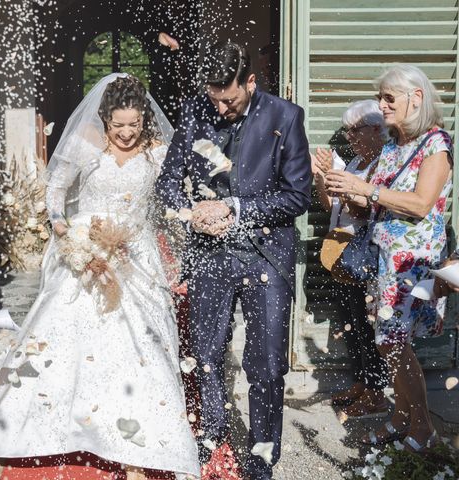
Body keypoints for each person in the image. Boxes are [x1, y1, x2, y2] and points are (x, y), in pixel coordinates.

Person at [0, 74, 200, 480]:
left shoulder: (160, 151)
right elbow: (55, 191)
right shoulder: (86, 142)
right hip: (85, 249)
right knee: (65, 335)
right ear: (104, 119)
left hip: (135, 255)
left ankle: (141, 438)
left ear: (144, 118)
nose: (127, 133)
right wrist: (64, 230)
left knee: (140, 342)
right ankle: (50, 427)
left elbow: (176, 197)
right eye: (118, 125)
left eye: (134, 124)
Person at [156, 41, 311, 480]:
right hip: (209, 256)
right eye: (214, 98)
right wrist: (192, 214)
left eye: (230, 99)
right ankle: (212, 438)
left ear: (251, 81)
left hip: (267, 257)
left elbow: (298, 195)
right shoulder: (195, 111)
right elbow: (168, 184)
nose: (221, 108)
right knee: (205, 353)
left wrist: (236, 209)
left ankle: (261, 460)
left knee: (265, 365)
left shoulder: (286, 117)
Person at [326, 64, 453, 452]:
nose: (381, 106)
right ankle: (401, 418)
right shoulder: (393, 147)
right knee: (388, 342)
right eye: (380, 97)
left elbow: (420, 204)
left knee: (394, 341)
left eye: (388, 98)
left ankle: (422, 427)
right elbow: (370, 207)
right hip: (385, 259)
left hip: (414, 264)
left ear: (416, 98)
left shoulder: (436, 144)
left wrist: (367, 190)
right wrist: (340, 186)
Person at [312, 100, 389, 418]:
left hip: (366, 255)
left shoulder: (384, 164)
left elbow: (364, 210)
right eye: (347, 131)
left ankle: (376, 393)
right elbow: (331, 205)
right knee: (353, 325)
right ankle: (362, 382)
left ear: (376, 129)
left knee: (369, 327)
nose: (350, 137)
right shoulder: (357, 161)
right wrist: (322, 178)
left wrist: (337, 178)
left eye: (355, 130)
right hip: (343, 253)